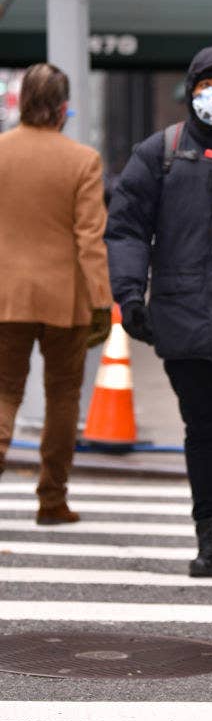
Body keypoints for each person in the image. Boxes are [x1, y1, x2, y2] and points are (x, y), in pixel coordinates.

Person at [106, 47, 212, 586]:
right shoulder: (162, 153)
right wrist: (130, 294)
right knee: (203, 430)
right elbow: (127, 226)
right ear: (190, 89)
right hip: (181, 320)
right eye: (205, 85)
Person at [0, 63, 112, 523]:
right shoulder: (82, 160)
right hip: (65, 300)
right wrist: (102, 302)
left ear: (22, 101)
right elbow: (90, 239)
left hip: (5, 296)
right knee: (63, 396)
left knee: (4, 392)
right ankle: (52, 499)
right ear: (64, 107)